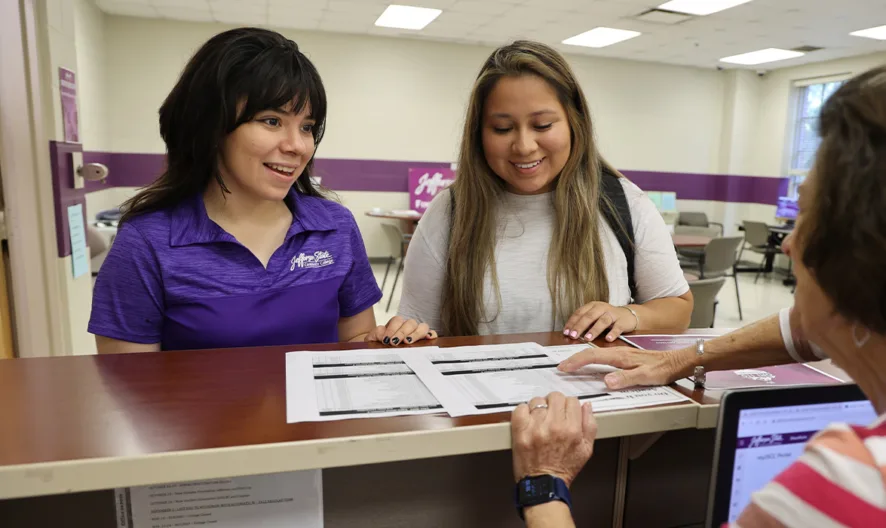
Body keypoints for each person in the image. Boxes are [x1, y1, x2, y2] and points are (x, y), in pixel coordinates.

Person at [511, 65, 886, 526]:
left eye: (804, 212)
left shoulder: (845, 483)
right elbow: (801, 329)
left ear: (857, 254)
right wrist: (678, 360)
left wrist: (544, 481)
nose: (787, 243)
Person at [88, 28, 432, 353]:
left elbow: (355, 339)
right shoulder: (147, 243)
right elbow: (129, 392)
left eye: (308, 127)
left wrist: (390, 341)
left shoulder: (334, 226)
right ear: (211, 125)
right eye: (272, 121)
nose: (298, 146)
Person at [397, 41, 692, 340]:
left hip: (590, 386)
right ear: (479, 134)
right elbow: (419, 329)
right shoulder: (449, 212)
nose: (524, 146)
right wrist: (405, 333)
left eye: (542, 125)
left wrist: (629, 315)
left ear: (575, 123)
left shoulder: (625, 203)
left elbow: (678, 309)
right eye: (502, 128)